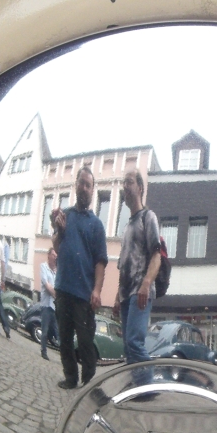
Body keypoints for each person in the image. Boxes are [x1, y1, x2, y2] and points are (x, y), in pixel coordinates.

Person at [50, 166, 107, 389]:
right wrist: (59, 230)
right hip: (63, 287)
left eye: (88, 185)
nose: (84, 188)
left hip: (84, 294)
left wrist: (97, 290)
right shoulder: (66, 216)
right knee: (64, 338)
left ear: (92, 190)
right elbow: (56, 246)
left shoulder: (97, 225)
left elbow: (101, 262)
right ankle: (70, 378)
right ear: (75, 185)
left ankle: (89, 377)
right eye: (81, 183)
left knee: (85, 340)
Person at [113, 170, 161, 380]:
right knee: (128, 347)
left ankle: (150, 387)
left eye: (129, 182)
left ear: (140, 188)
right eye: (123, 182)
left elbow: (156, 255)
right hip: (126, 293)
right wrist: (117, 296)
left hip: (140, 291)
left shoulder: (148, 217)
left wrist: (146, 283)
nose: (125, 186)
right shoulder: (126, 227)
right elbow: (123, 265)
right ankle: (138, 388)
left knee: (134, 342)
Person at [39, 247, 57, 360]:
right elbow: (47, 285)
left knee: (57, 331)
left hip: (55, 306)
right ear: (48, 255)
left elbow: (57, 287)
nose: (55, 258)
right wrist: (56, 294)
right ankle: (43, 351)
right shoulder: (43, 267)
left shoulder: (58, 271)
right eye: (53, 255)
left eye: (56, 256)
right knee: (44, 330)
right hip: (46, 304)